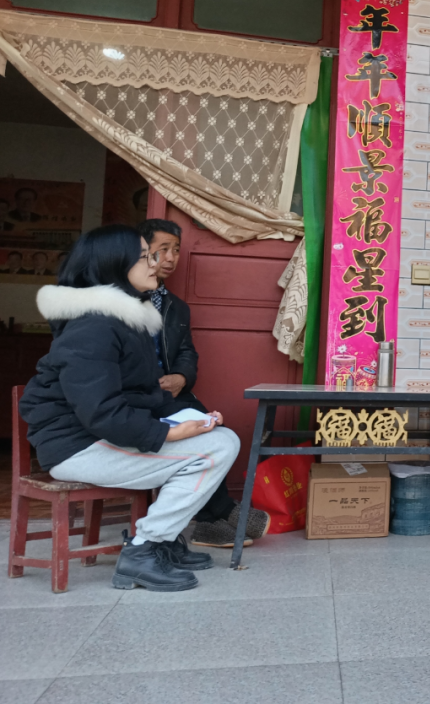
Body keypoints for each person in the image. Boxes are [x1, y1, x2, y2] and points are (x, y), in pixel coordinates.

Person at [19, 225, 241, 592]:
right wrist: (168, 433)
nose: (155, 263)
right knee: (216, 449)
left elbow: (141, 395)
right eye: (144, 257)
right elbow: (100, 410)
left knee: (219, 438)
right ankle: (144, 549)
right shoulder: (93, 326)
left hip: (100, 437)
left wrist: (192, 419)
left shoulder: (124, 320)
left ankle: (161, 541)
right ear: (113, 265)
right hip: (78, 446)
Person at [136, 218, 270, 549]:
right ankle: (219, 513)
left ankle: (210, 521)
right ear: (140, 251)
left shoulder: (175, 306)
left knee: (209, 427)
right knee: (201, 437)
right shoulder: (121, 301)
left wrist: (182, 377)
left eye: (176, 250)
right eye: (162, 249)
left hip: (170, 395)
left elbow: (186, 352)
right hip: (136, 398)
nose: (171, 258)